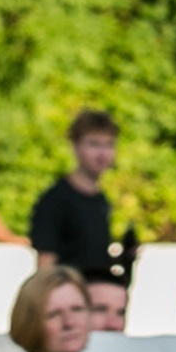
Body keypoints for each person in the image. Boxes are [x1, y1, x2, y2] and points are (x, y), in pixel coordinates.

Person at [28, 112, 118, 278]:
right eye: (93, 144)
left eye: (109, 145)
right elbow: (45, 266)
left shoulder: (101, 200)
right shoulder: (55, 200)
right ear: (75, 146)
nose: (102, 153)